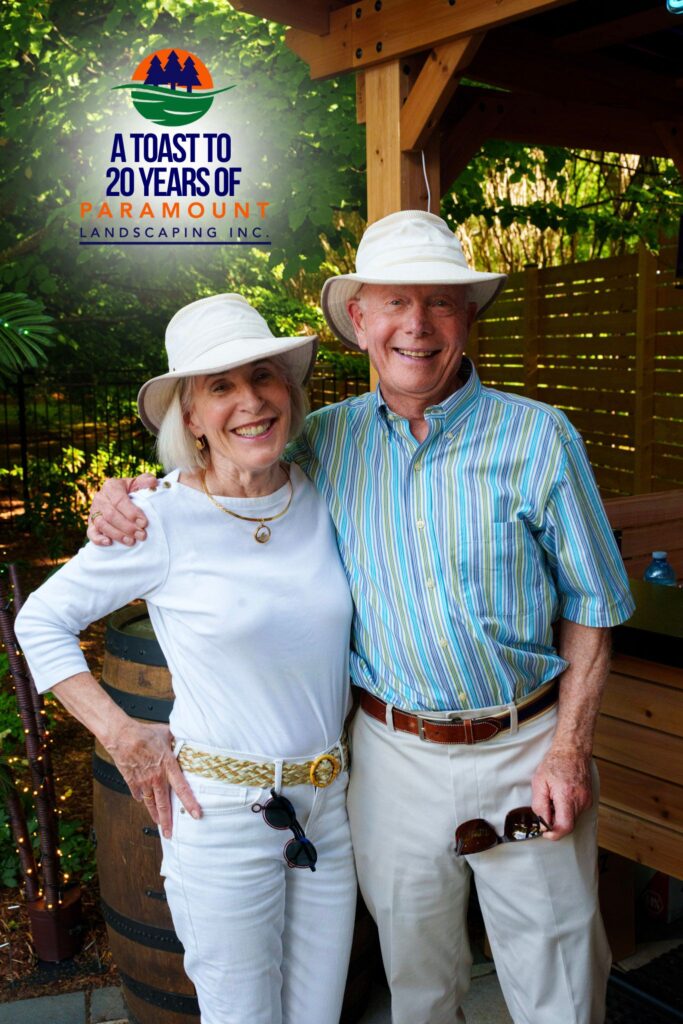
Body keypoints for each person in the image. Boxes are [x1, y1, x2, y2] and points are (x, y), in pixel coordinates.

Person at [89, 212, 635, 1024]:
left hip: (527, 749)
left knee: (557, 985)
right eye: (393, 303)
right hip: (388, 759)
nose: (417, 325)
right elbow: (225, 462)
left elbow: (594, 605)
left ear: (466, 319)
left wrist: (568, 750)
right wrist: (125, 496)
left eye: (441, 303)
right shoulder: (324, 443)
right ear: (359, 321)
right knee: (417, 984)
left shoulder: (539, 437)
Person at [15, 294, 357, 1024]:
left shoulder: (323, 493)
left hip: (327, 807)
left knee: (318, 1013)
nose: (250, 401)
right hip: (222, 813)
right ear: (190, 417)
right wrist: (121, 734)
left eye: (262, 376)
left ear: (289, 393)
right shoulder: (159, 517)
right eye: (220, 387)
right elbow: (40, 619)